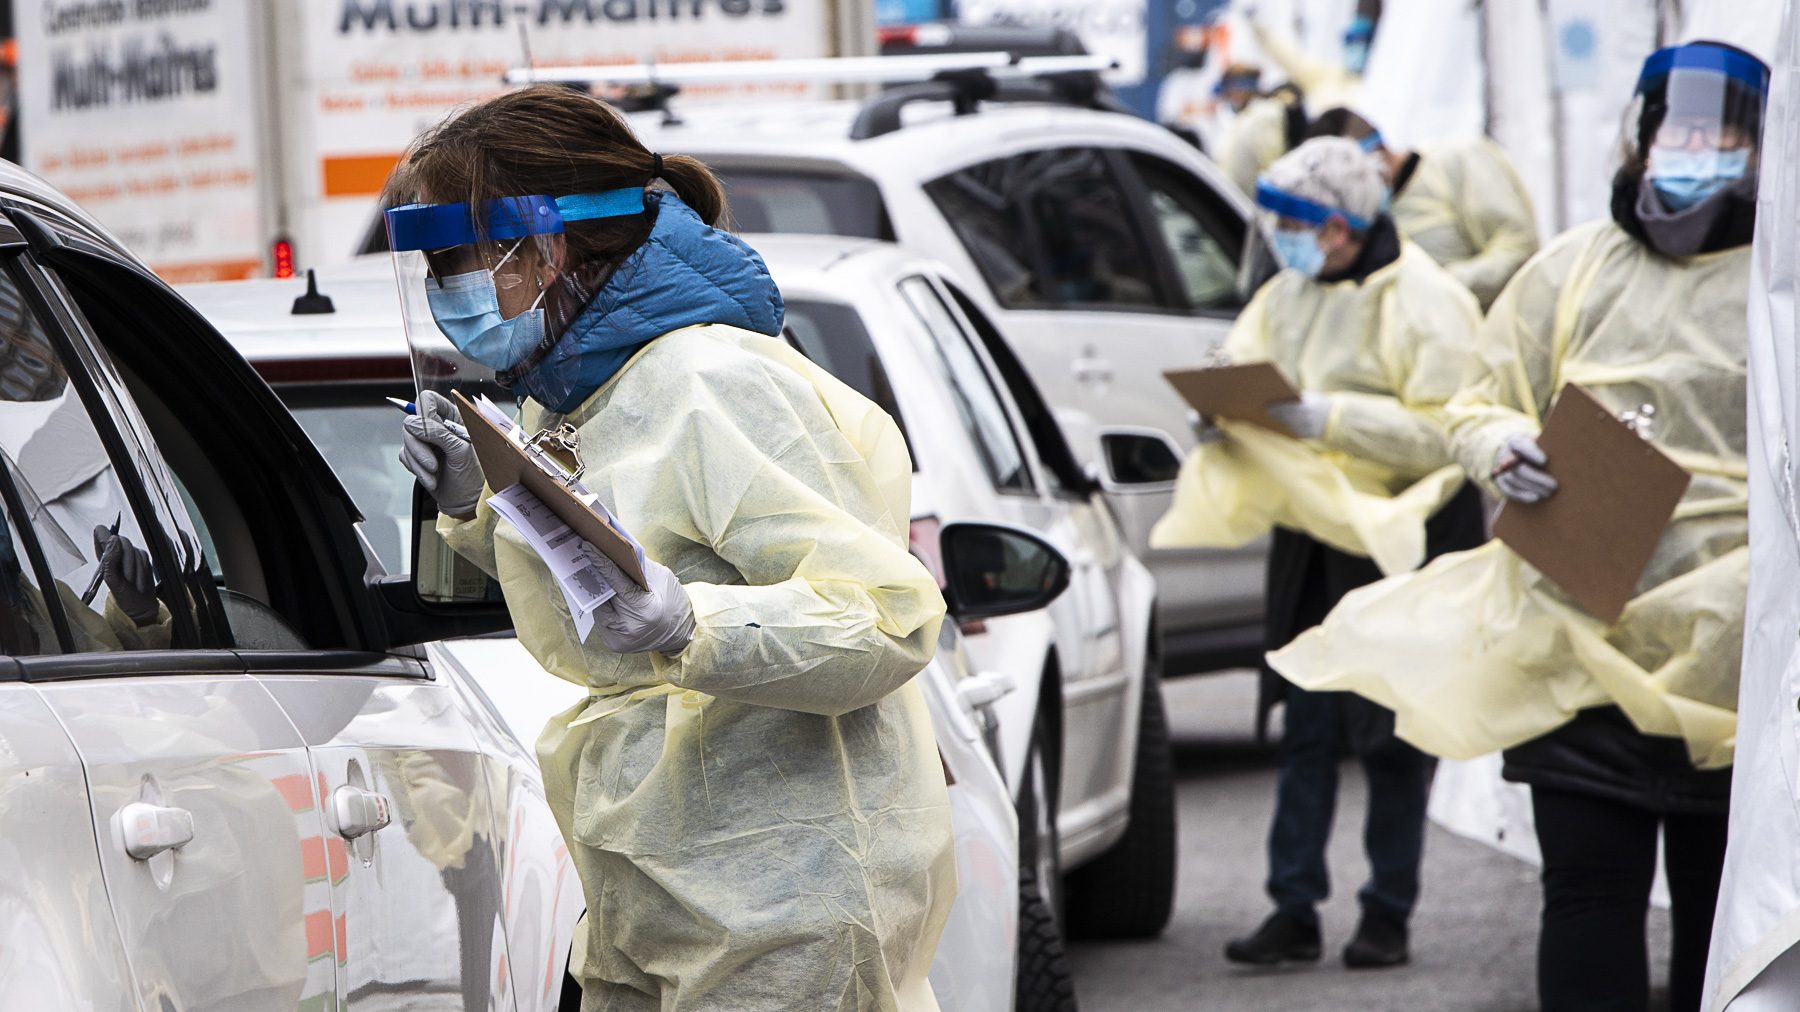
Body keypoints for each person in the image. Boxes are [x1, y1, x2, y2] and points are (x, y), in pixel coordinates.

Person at [387, 86, 955, 1010]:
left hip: (782, 898)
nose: (445, 286)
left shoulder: (708, 381)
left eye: (456, 257)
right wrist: (471, 509)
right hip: (662, 885)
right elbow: (608, 583)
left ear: (545, 246)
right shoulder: (577, 394)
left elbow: (886, 615)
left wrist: (699, 624)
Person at [1268, 41, 1761, 1012]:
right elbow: (1479, 394)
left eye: (1721, 131)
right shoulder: (1575, 268)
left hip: (1734, 655)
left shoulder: (1779, 281)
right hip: (1581, 631)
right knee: (1587, 890)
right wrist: (1499, 446)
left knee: (1727, 915)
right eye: (1677, 127)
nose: (1694, 148)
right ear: (1644, 135)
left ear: (1759, 146)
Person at [1178, 136, 1486, 969]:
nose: (1283, 239)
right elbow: (1242, 359)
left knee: (1391, 732)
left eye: (1296, 224)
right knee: (1304, 725)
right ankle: (1295, 906)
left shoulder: (1426, 302)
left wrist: (1334, 418)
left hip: (1400, 543)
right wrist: (1219, 404)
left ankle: (1387, 910)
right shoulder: (1289, 290)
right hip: (1314, 538)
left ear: (1345, 224)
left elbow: (1455, 433)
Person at [1306, 107, 1540, 310]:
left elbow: (1518, 251)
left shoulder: (1458, 160)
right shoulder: (1372, 219)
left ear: (1378, 151)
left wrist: (1432, 291)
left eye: (1351, 182)